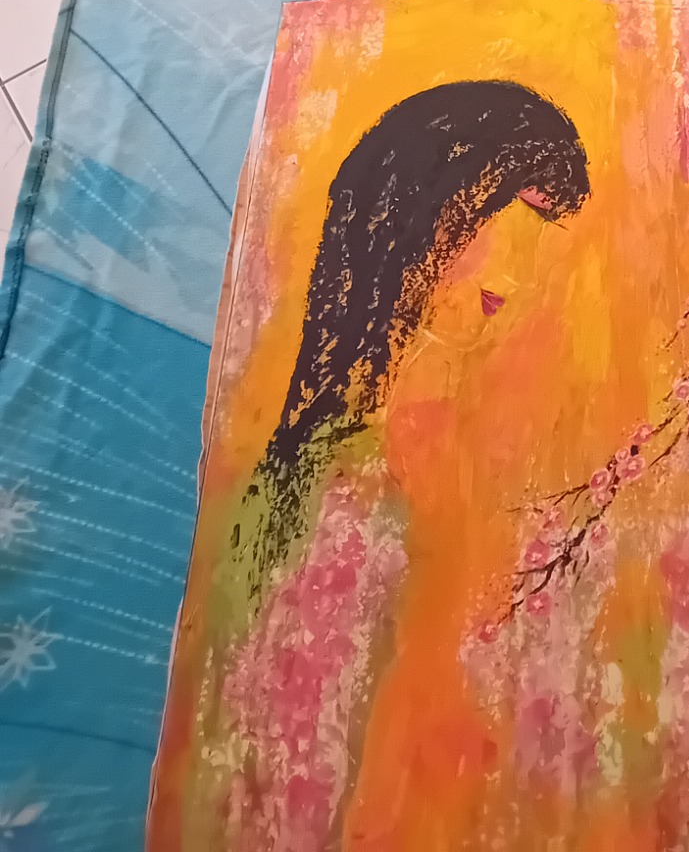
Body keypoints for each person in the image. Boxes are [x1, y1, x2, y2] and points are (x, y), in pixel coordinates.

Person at [206, 82, 590, 850]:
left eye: (541, 231)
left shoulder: (445, 440)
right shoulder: (347, 486)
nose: (517, 272)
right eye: (512, 217)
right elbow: (297, 779)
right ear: (422, 207)